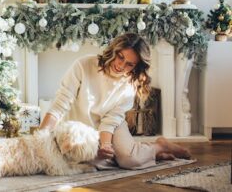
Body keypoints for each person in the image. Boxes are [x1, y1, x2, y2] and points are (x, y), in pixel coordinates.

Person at [39, 33, 190, 169]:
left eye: (129, 64)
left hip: (111, 126)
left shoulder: (129, 84)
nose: (121, 66)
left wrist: (106, 145)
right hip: (81, 127)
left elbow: (110, 120)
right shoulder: (83, 65)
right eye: (121, 57)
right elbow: (59, 105)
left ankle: (159, 146)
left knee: (130, 161)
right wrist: (40, 139)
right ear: (114, 50)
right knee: (85, 160)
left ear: (136, 66)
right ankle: (146, 155)